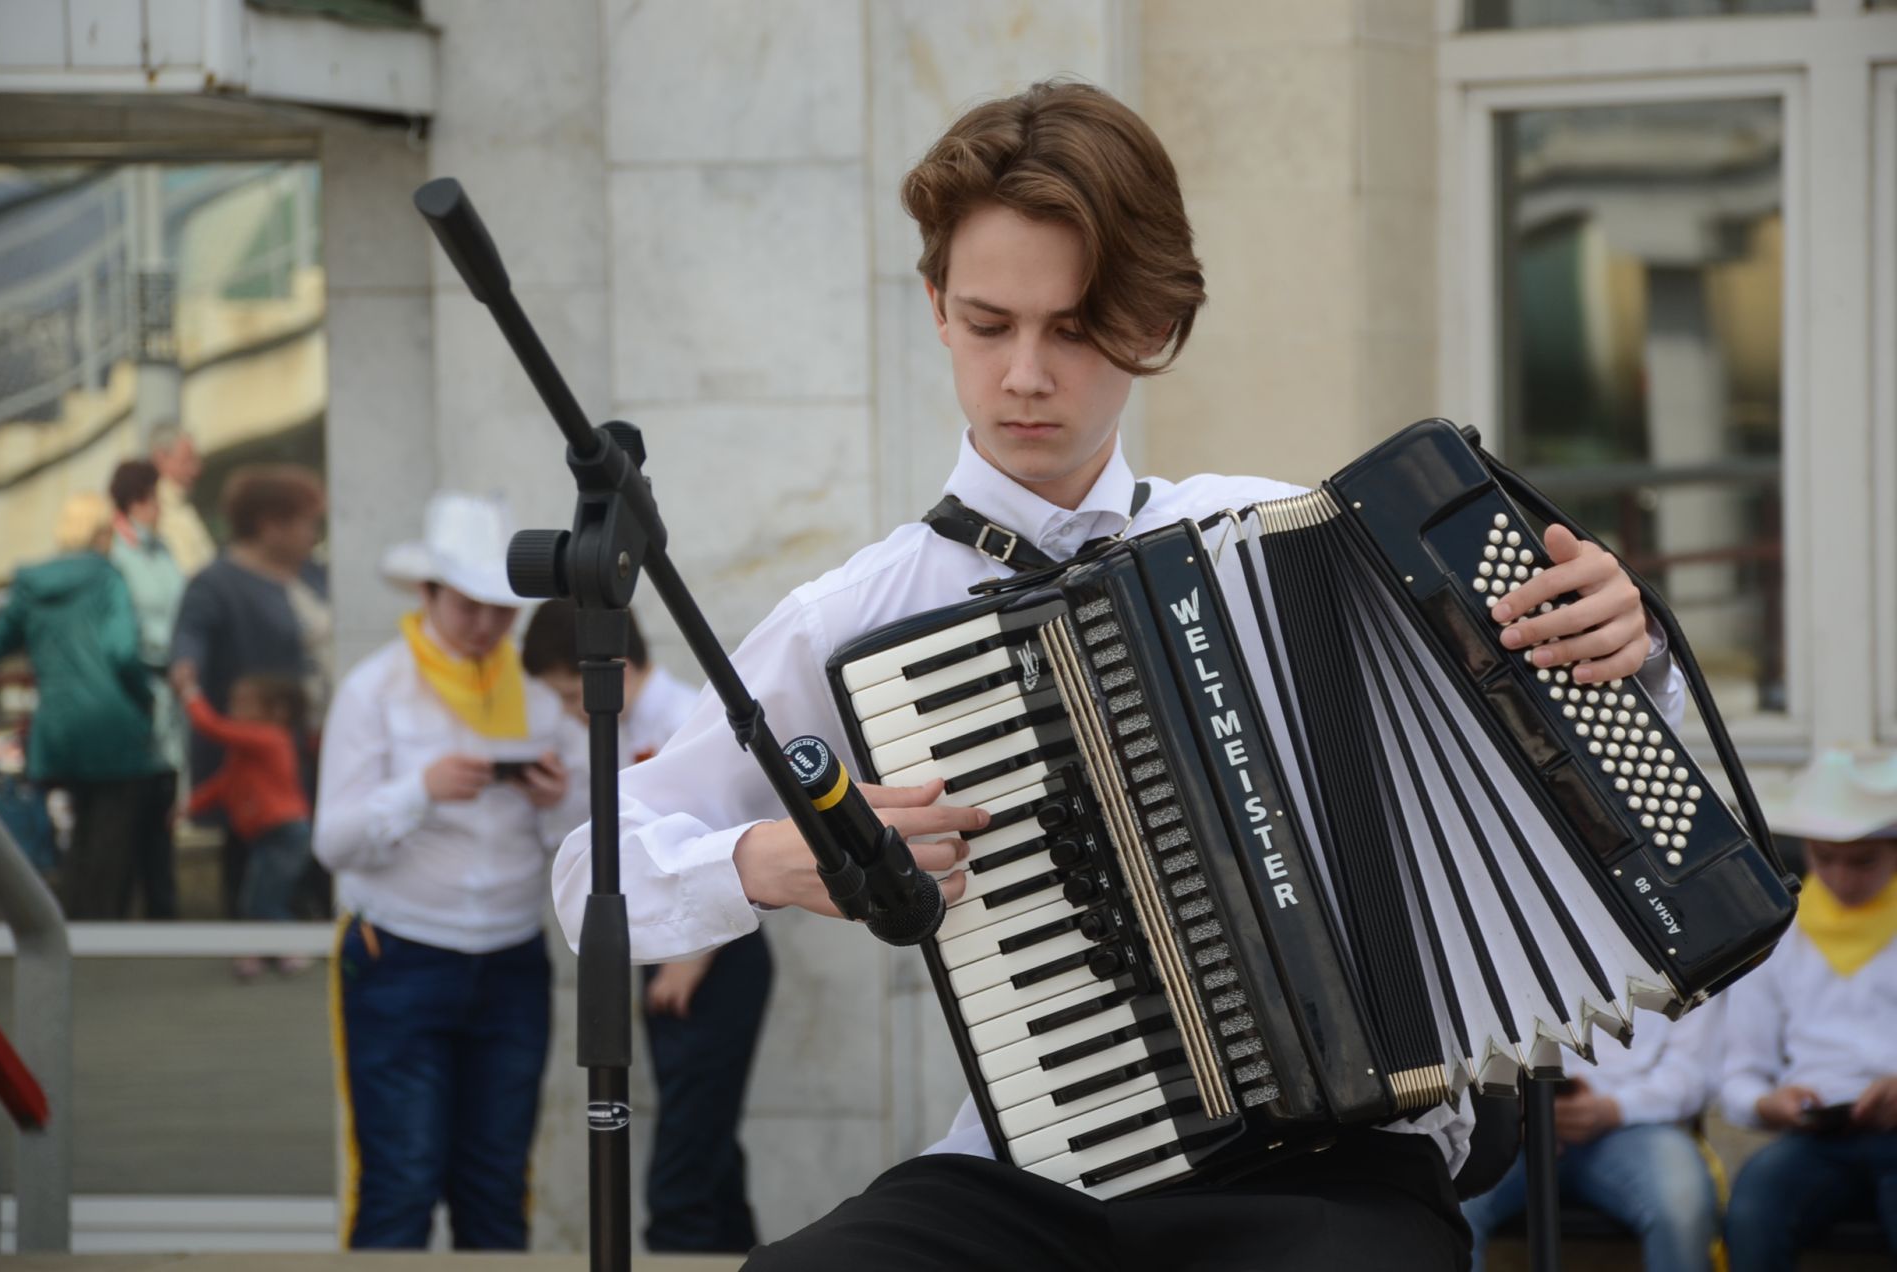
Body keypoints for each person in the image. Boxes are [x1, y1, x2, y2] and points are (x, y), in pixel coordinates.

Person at [552, 80, 1685, 1270]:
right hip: (1037, 1167)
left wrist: (1617, 651)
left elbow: (1554, 763)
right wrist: (764, 863)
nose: (1027, 376)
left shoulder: (1289, 534)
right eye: (990, 324)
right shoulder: (856, 614)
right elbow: (591, 874)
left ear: (1154, 325)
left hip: (1341, 1163)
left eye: (1077, 328)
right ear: (936, 307)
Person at [315, 491, 588, 1250]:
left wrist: (555, 803)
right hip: (398, 955)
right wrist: (418, 792)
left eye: (503, 609)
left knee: (496, 1188)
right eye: (470, 606)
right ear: (428, 594)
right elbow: (331, 842)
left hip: (508, 961)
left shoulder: (536, 696)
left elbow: (581, 846)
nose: (488, 625)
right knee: (400, 1184)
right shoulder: (373, 689)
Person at [523, 598, 771, 1252]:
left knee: (682, 1175)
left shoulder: (694, 717)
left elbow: (743, 838)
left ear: (618, 667)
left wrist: (693, 956)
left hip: (712, 953)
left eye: (576, 692)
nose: (573, 710)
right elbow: (595, 846)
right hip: (663, 947)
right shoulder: (601, 730)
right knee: (708, 1153)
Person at [1720, 749, 1897, 1271]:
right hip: (1815, 1139)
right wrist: (1767, 1105)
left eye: (1862, 861)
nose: (1841, 877)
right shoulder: (1778, 936)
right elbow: (1738, 1074)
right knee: (1751, 1211)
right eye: (1824, 858)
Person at [0, 492, 159, 918]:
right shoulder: (107, 577)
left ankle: (69, 922)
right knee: (111, 838)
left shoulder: (30, 585)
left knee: (78, 831)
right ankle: (100, 928)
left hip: (58, 729)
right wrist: (146, 698)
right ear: (101, 532)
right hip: (112, 726)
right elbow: (122, 651)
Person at [1461, 1000, 1725, 1272]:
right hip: (1513, 1120)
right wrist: (1509, 1108)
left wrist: (1614, 1109)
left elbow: (1692, 1072)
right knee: (1451, 1200)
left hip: (1637, 1123)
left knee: (1682, 1206)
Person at [170, 463, 329, 916]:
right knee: (258, 842)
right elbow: (190, 635)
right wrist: (186, 670)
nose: (313, 534)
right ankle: (255, 939)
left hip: (316, 738)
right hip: (263, 748)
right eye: (306, 523)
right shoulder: (216, 583)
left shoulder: (313, 575)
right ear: (269, 525)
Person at [174, 666, 312, 975]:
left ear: (276, 711)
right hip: (267, 834)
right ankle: (259, 950)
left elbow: (210, 726)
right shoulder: (246, 749)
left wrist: (189, 692)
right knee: (257, 895)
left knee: (264, 898)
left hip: (285, 831)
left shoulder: (269, 737)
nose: (234, 710)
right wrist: (189, 805)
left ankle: (291, 945)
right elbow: (225, 784)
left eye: (244, 703)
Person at [108, 458, 187, 919]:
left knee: (163, 813)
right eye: (154, 498)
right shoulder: (117, 557)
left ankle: (164, 913)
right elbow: (126, 633)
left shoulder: (164, 550)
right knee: (134, 818)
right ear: (137, 501)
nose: (160, 507)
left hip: (168, 696)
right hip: (138, 694)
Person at [148, 422, 216, 576]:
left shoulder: (184, 505)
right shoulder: (154, 511)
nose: (196, 469)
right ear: (161, 458)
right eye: (187, 460)